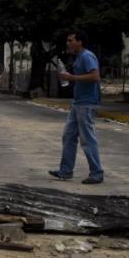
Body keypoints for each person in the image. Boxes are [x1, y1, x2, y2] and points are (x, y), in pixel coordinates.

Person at [49, 29, 104, 184]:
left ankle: (97, 173)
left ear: (79, 42)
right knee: (69, 136)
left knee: (87, 139)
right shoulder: (79, 57)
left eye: (70, 40)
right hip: (78, 103)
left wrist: (72, 77)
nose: (68, 43)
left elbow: (95, 76)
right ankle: (65, 171)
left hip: (87, 103)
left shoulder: (87, 56)